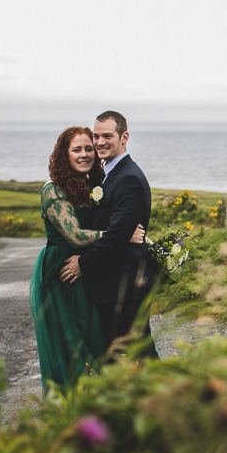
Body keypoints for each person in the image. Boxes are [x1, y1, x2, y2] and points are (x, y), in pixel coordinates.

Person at [29, 126, 146, 393]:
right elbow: (75, 235)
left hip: (86, 265)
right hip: (61, 269)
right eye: (76, 150)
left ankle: (101, 397)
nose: (84, 155)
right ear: (64, 155)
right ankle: (71, 401)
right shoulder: (53, 190)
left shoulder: (93, 185)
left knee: (93, 333)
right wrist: (120, 235)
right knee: (70, 337)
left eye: (88, 149)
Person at [59, 110, 158, 357]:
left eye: (108, 136)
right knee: (128, 355)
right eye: (96, 136)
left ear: (124, 137)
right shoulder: (108, 173)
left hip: (123, 286)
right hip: (112, 284)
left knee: (133, 354)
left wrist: (83, 263)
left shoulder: (129, 178)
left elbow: (115, 236)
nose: (100, 142)